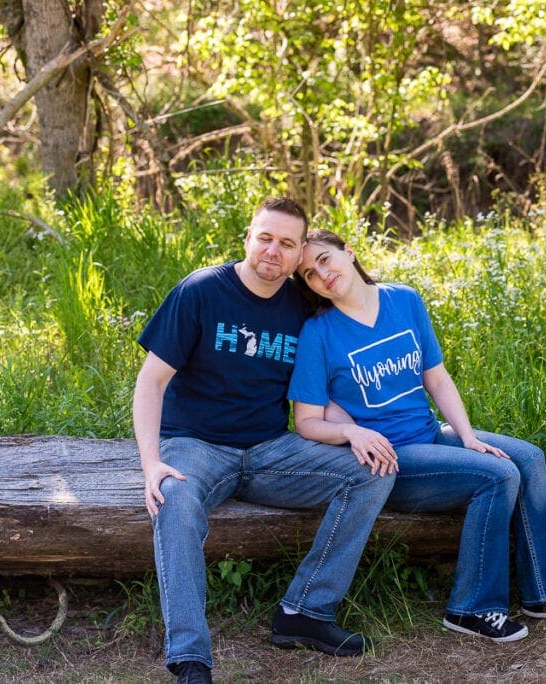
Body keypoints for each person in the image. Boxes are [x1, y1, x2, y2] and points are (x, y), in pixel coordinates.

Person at [287, 229, 546, 643]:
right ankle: (472, 607)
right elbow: (305, 420)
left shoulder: (404, 300)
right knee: (497, 476)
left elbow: (436, 377)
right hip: (391, 461)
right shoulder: (319, 333)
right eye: (309, 273)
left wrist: (467, 437)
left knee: (527, 457)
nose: (321, 274)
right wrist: (350, 431)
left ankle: (545, 593)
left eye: (325, 259)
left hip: (432, 435)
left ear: (349, 251)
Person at [133, 199, 397, 683]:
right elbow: (151, 382)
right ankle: (191, 658)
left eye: (287, 244)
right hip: (196, 445)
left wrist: (353, 428)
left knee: (371, 472)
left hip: (271, 450)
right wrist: (151, 462)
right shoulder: (201, 291)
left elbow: (357, 314)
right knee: (172, 498)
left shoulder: (303, 304)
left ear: (299, 256)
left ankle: (305, 612)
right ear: (248, 238)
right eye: (265, 238)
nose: (273, 251)